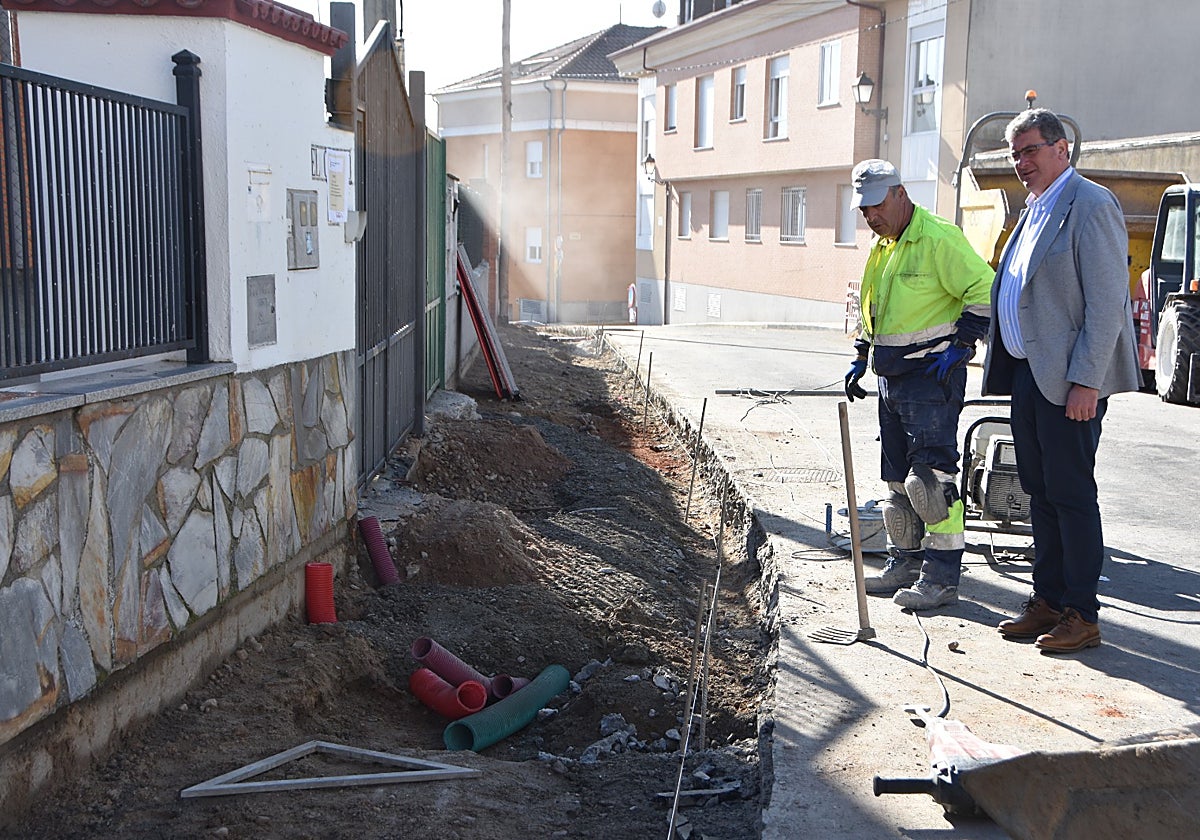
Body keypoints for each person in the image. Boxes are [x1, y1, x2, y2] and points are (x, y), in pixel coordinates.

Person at [983, 109, 1141, 652]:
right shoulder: (1034, 209)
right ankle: (1046, 599)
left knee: (1071, 496)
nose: (1021, 162)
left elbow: (1106, 306)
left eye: (1030, 150)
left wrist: (1087, 383)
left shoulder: (1090, 205)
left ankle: (1082, 613)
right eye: (1015, 154)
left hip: (1070, 382)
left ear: (1061, 149)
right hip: (1030, 376)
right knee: (1039, 493)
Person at [845, 159, 994, 611]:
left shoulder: (937, 238)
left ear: (899, 193)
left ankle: (942, 578)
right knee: (896, 485)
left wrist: (962, 344)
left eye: (875, 206)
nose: (870, 216)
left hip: (931, 379)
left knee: (932, 484)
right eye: (863, 209)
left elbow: (985, 289)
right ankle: (905, 562)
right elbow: (874, 306)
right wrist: (861, 353)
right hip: (893, 381)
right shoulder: (884, 246)